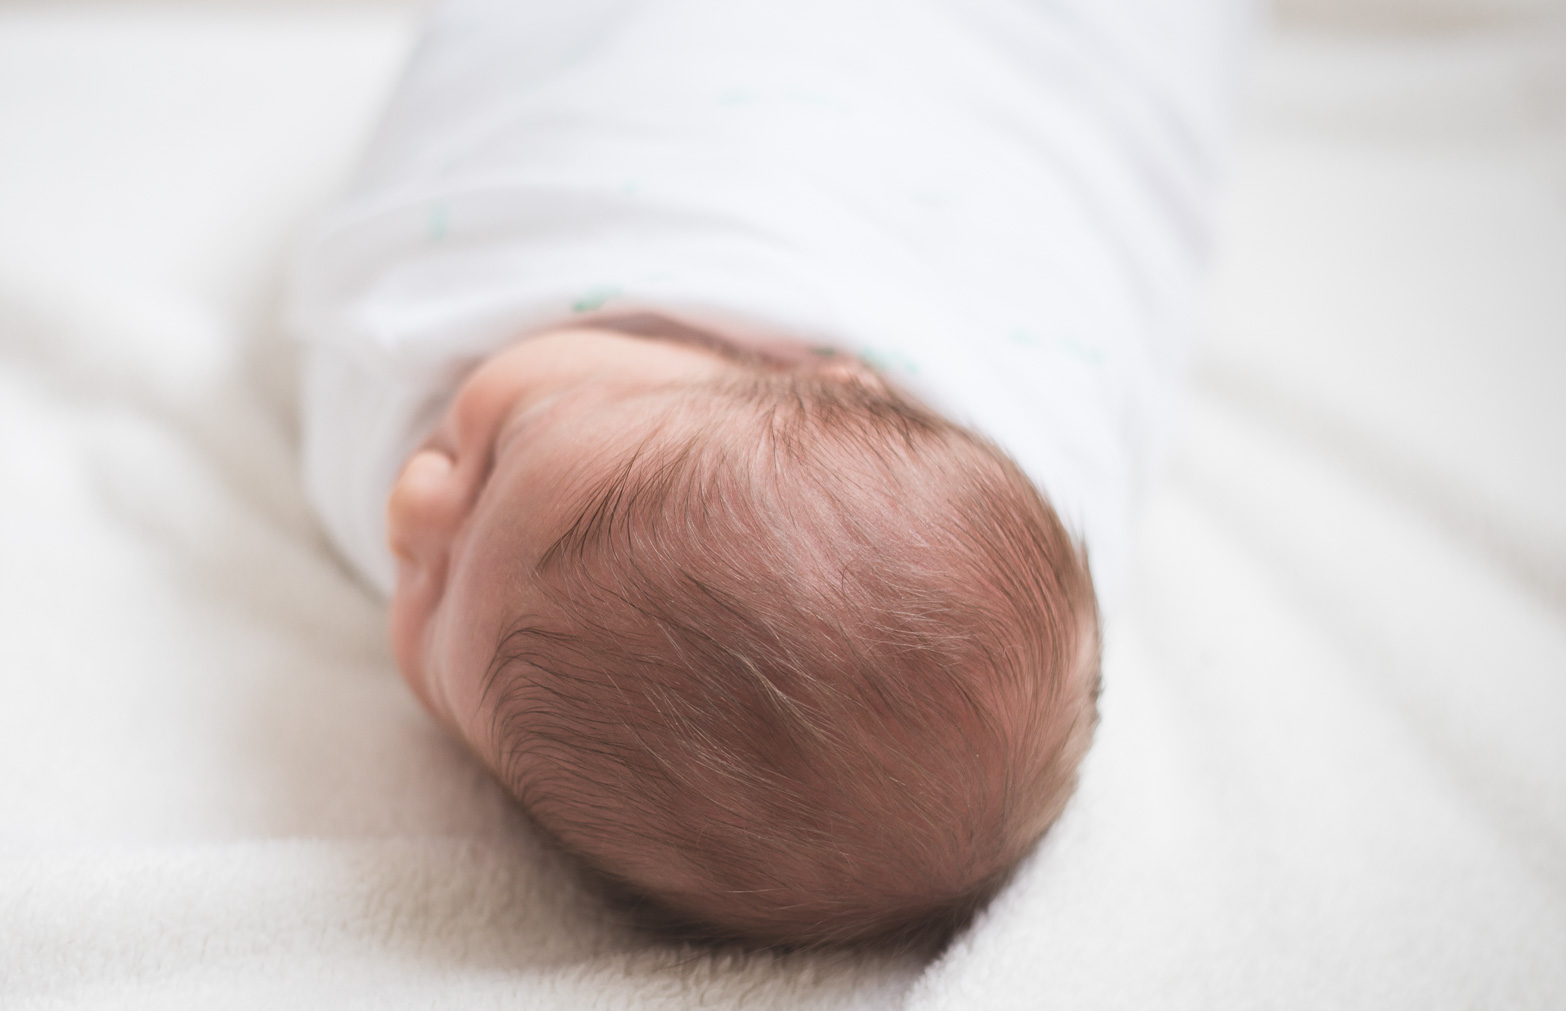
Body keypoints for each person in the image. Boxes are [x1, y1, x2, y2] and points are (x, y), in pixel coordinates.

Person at [292, 0, 1249, 944]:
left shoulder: (451, 431)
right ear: (831, 374)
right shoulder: (1020, 427)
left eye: (432, 601)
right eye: (506, 442)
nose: (413, 499)